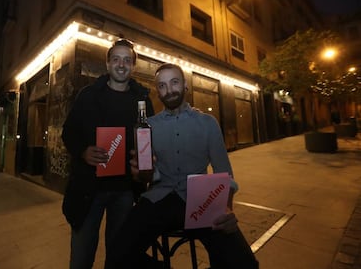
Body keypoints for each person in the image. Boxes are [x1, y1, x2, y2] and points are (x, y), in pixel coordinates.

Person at [107, 63, 259, 269]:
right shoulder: (147, 127)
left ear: (185, 85)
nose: (169, 90)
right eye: (162, 86)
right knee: (116, 258)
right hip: (158, 200)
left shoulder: (208, 123)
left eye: (174, 82)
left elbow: (225, 174)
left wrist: (227, 207)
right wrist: (143, 174)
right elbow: (146, 175)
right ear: (157, 92)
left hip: (202, 201)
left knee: (245, 264)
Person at [61, 38, 154, 269]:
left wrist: (144, 162)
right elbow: (69, 132)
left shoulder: (142, 100)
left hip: (125, 191)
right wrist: (83, 152)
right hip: (88, 191)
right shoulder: (88, 95)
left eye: (127, 60)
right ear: (107, 63)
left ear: (133, 66)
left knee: (118, 257)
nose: (121, 64)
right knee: (81, 259)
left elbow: (151, 141)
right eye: (116, 59)